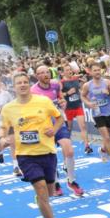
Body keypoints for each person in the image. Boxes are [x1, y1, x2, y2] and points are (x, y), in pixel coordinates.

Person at [0, 73, 68, 218]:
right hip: (26, 156)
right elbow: (3, 127)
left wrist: (54, 129)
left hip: (47, 151)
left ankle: (41, 199)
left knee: (49, 193)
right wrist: (2, 138)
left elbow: (60, 117)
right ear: (13, 87)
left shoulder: (43, 101)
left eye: (24, 82)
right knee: (41, 188)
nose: (22, 85)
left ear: (29, 85)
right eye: (18, 83)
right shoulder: (8, 108)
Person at [31, 65, 84, 196]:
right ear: (37, 76)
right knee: (51, 155)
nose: (45, 75)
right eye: (41, 73)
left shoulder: (55, 85)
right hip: (44, 127)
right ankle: (55, 183)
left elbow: (61, 99)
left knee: (69, 151)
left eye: (47, 72)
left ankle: (71, 181)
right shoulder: (33, 91)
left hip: (59, 122)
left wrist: (63, 103)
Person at [81, 63, 110, 172]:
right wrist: (88, 103)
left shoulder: (107, 82)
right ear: (90, 72)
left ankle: (103, 150)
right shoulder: (87, 85)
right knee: (107, 138)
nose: (97, 72)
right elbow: (83, 96)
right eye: (95, 70)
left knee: (108, 136)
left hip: (108, 112)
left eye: (99, 70)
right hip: (97, 114)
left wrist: (108, 92)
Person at [60, 64, 92, 154]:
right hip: (68, 108)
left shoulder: (75, 79)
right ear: (63, 72)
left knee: (83, 126)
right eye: (67, 70)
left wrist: (83, 83)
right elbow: (59, 95)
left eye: (70, 70)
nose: (69, 71)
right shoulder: (61, 82)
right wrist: (67, 93)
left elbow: (80, 90)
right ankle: (67, 145)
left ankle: (87, 146)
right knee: (69, 128)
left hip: (78, 106)